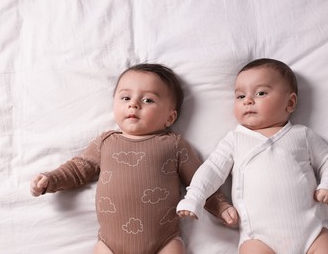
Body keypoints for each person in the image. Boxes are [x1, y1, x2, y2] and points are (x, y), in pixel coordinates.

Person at [30, 63, 238, 254]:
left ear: (170, 117)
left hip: (164, 242)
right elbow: (78, 169)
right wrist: (51, 179)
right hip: (109, 244)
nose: (134, 105)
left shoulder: (174, 145)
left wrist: (221, 207)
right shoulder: (106, 142)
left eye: (148, 100)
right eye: (126, 98)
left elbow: (201, 182)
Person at [177, 58, 328, 254]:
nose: (248, 100)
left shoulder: (302, 135)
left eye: (261, 93)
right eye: (240, 96)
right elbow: (212, 170)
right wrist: (195, 196)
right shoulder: (235, 140)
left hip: (312, 233)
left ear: (290, 103)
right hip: (260, 239)